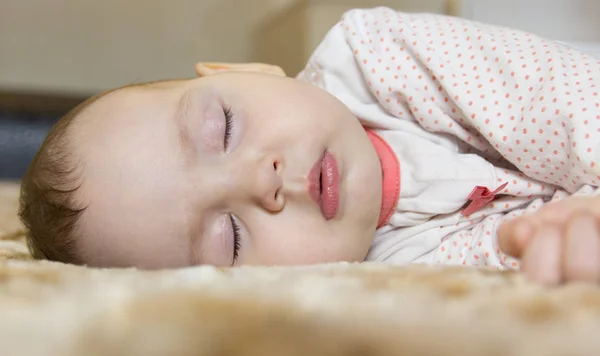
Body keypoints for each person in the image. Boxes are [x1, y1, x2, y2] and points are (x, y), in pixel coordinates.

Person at [19, 7, 600, 285]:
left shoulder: (374, 56)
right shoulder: (377, 288)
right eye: (230, 237)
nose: (260, 181)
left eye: (223, 128)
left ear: (248, 71)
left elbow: (551, 96)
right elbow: (528, 263)